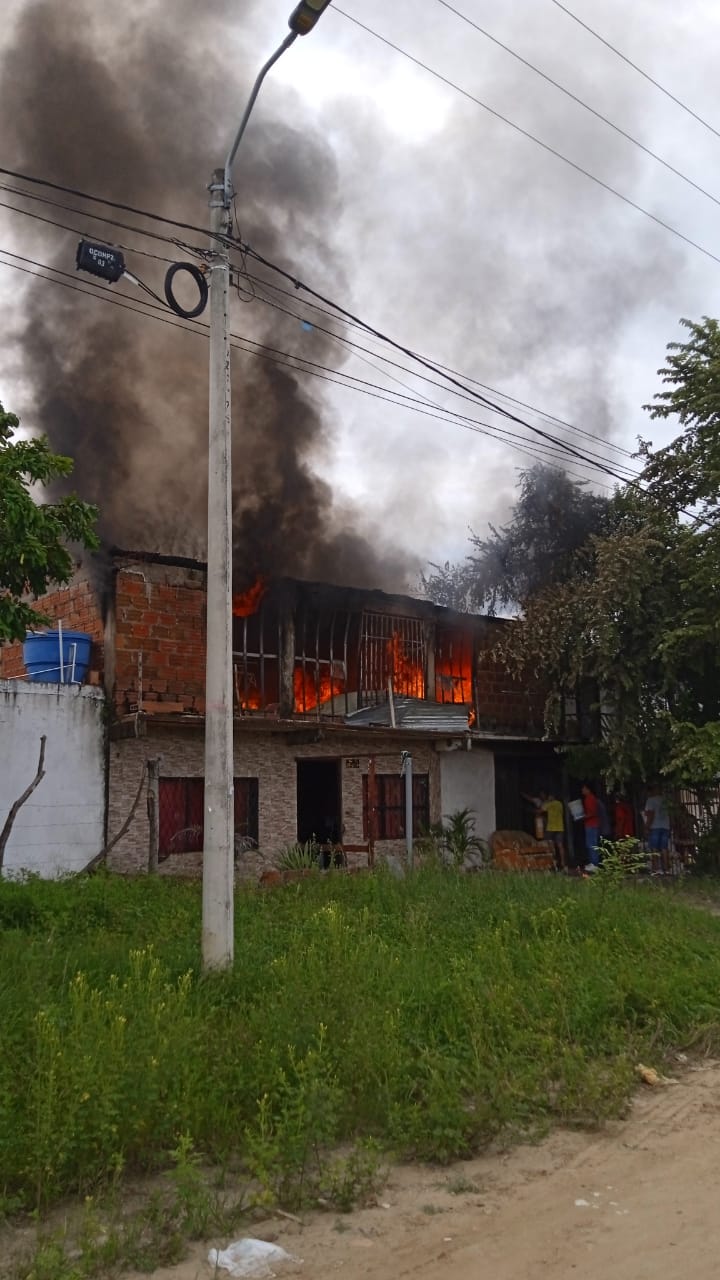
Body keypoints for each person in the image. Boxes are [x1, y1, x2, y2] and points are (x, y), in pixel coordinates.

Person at [644, 788, 671, 874]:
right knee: (664, 848)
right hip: (666, 826)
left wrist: (647, 826)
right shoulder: (665, 800)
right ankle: (666, 869)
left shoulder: (650, 800)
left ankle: (656, 869)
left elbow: (650, 814)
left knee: (654, 848)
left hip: (655, 827)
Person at [581, 782, 601, 871]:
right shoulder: (589, 798)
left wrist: (583, 816)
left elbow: (592, 812)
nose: (582, 790)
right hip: (590, 824)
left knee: (592, 844)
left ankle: (594, 864)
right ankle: (592, 862)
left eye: (584, 788)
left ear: (588, 790)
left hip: (591, 825)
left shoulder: (590, 799)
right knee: (589, 844)